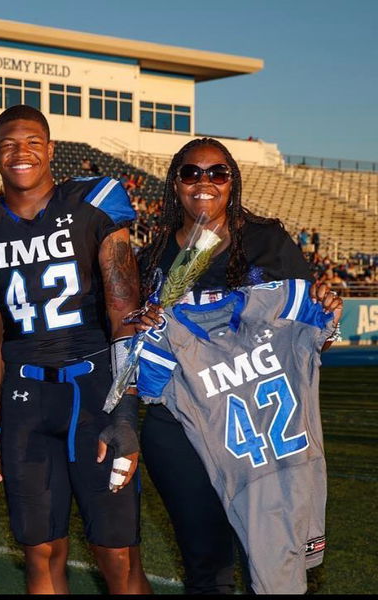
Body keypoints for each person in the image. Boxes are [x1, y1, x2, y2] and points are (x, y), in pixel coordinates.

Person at [0, 105, 151, 594]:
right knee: (40, 551)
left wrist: (125, 413)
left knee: (118, 554)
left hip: (95, 389)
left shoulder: (96, 202)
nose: (22, 152)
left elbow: (125, 314)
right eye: (9, 143)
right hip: (26, 401)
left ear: (51, 149)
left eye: (32, 141)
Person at [135, 137, 343, 594]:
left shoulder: (268, 240)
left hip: (262, 422)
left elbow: (304, 339)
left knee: (267, 556)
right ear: (175, 184)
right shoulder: (153, 257)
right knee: (204, 563)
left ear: (233, 181)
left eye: (217, 173)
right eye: (191, 173)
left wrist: (325, 312)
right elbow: (135, 351)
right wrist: (144, 321)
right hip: (181, 424)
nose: (204, 182)